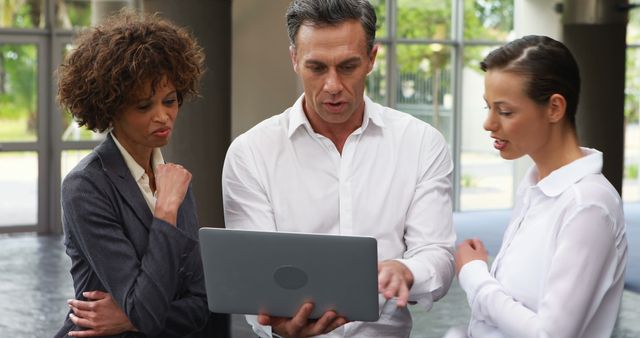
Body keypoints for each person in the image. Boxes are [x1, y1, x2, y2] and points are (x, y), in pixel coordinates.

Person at [222, 0, 456, 337]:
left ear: (372, 59)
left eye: (347, 67)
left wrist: (406, 271)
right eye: (316, 68)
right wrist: (277, 328)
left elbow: (437, 254)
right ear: (294, 60)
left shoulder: (420, 143)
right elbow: (253, 276)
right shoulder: (251, 153)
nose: (332, 85)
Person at [453, 35, 628, 338]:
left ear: (555, 108)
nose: (488, 123)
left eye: (505, 111)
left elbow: (549, 334)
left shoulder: (588, 205)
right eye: (488, 108)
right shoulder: (535, 185)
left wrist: (474, 275)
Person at [55, 10, 211, 338]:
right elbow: (147, 312)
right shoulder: (86, 186)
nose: (163, 116)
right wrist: (166, 211)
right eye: (144, 106)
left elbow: (200, 306)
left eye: (170, 101)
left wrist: (127, 317)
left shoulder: (175, 179)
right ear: (111, 107)